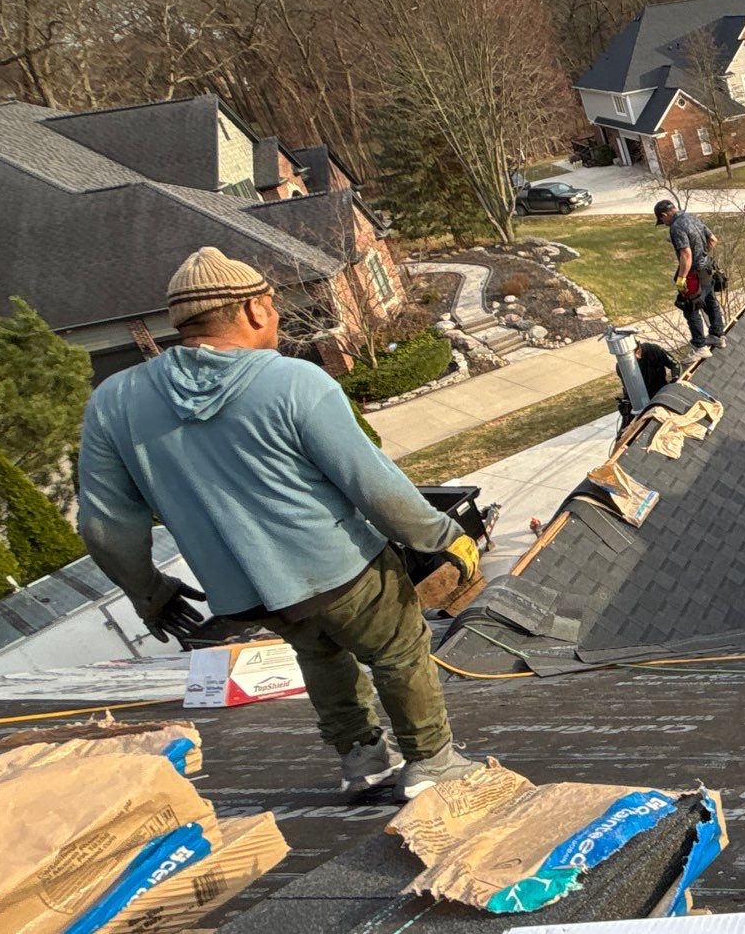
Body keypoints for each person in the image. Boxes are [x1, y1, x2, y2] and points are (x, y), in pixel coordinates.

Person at [76, 248, 482, 798]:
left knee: (318, 651)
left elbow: (105, 526)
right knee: (397, 647)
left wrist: (150, 592)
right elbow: (375, 486)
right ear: (252, 310)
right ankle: (431, 761)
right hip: (340, 567)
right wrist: (443, 537)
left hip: (250, 595)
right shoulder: (294, 382)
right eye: (273, 305)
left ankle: (361, 761)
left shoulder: (113, 402)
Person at [655, 199, 726, 355]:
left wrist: (682, 277)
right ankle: (717, 335)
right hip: (707, 269)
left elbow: (686, 254)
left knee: (690, 307)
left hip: (693, 273)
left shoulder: (675, 227)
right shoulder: (691, 217)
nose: (664, 223)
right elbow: (713, 239)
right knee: (710, 301)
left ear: (664, 214)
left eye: (662, 220)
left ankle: (700, 346)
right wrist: (703, 254)